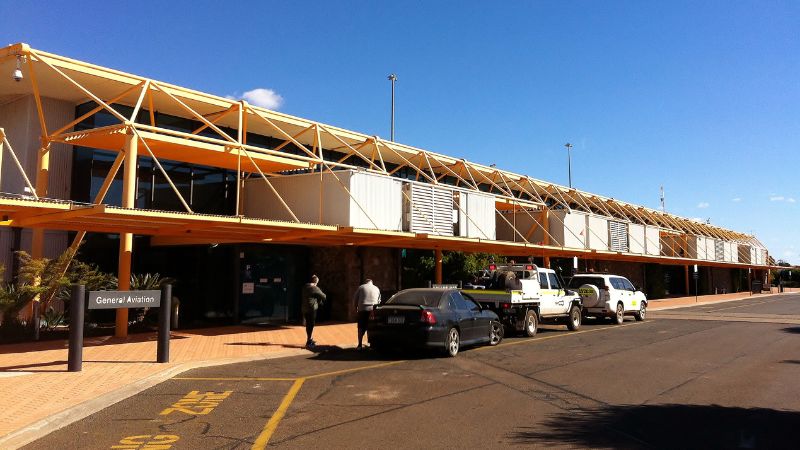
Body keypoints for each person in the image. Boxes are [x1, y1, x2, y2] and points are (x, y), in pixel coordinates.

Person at [353, 278, 380, 350]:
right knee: (371, 327)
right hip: (372, 310)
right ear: (372, 282)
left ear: (366, 282)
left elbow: (355, 299)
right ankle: (371, 344)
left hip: (362, 309)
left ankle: (359, 345)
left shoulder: (361, 287)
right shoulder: (376, 288)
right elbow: (379, 300)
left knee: (361, 327)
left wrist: (356, 309)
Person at [301, 275, 326, 348]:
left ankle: (310, 338)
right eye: (317, 282)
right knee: (311, 325)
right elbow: (324, 296)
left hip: (304, 308)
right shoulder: (314, 288)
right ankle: (309, 341)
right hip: (311, 309)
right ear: (315, 282)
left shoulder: (305, 287)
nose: (317, 284)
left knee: (308, 324)